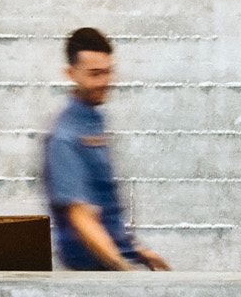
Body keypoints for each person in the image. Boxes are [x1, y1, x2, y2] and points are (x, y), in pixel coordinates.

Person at [43, 26, 170, 272]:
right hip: (93, 274)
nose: (104, 82)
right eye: (95, 74)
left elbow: (103, 205)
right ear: (71, 73)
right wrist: (123, 269)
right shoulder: (64, 136)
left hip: (110, 266)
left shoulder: (94, 120)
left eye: (108, 72)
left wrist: (136, 251)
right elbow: (80, 216)